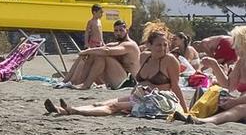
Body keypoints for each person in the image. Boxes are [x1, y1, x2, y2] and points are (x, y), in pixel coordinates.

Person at [45, 22, 188, 117]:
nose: (162, 48)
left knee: (115, 106)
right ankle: (63, 110)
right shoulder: (145, 57)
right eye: (159, 45)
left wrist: (185, 111)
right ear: (149, 45)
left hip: (158, 100)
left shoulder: (170, 61)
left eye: (165, 45)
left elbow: (175, 87)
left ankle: (73, 111)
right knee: (101, 103)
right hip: (140, 95)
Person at [62, 18, 140, 90]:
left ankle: (86, 85)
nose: (118, 33)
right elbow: (101, 49)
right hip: (115, 79)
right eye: (116, 31)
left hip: (128, 81)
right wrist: (85, 53)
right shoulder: (117, 44)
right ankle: (71, 81)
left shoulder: (130, 45)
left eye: (121, 30)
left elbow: (107, 51)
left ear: (127, 30)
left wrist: (87, 51)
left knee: (101, 55)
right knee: (92, 54)